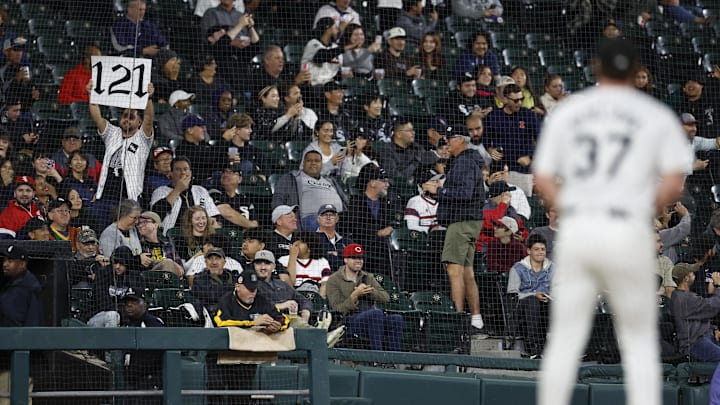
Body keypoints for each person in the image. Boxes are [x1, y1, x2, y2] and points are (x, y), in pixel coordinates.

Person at [533, 38, 692, 405]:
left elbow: (542, 179)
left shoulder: (572, 110)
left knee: (566, 337)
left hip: (580, 228)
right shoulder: (654, 114)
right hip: (627, 230)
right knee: (637, 340)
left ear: (597, 69)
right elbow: (674, 183)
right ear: (636, 71)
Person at [422, 128, 486, 332]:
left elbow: (464, 194)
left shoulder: (464, 161)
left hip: (461, 221)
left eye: (449, 140)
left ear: (460, 140)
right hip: (470, 221)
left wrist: (438, 190)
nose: (446, 143)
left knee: (454, 270)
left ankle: (457, 320)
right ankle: (476, 318)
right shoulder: (468, 161)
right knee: (467, 271)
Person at [87, 80, 154, 230]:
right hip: (105, 197)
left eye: (131, 117)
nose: (126, 120)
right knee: (101, 232)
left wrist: (149, 98)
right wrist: (91, 95)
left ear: (139, 122)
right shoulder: (112, 133)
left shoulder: (143, 139)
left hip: (128, 199)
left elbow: (149, 120)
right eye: (124, 116)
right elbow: (97, 118)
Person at [326, 243, 404, 351]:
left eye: (360, 258)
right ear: (345, 260)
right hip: (348, 321)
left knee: (396, 319)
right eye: (354, 257)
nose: (358, 260)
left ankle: (394, 360)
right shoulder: (334, 280)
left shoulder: (368, 277)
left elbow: (385, 297)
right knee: (375, 314)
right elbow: (336, 308)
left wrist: (370, 292)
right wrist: (355, 295)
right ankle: (377, 358)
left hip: (372, 318)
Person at [484, 83, 540, 197]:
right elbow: (486, 139)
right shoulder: (494, 116)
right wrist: (490, 150)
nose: (519, 103)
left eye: (521, 99)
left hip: (521, 168)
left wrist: (531, 157)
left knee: (522, 200)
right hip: (500, 167)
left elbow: (542, 140)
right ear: (505, 99)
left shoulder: (528, 115)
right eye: (515, 100)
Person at [271, 150, 346, 231]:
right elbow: (278, 200)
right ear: (303, 163)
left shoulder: (330, 180)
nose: (313, 163)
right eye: (309, 160)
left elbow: (345, 200)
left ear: (321, 164)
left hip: (338, 217)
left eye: (317, 161)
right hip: (311, 218)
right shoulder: (292, 178)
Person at [507, 234, 554, 358]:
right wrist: (534, 294)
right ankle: (535, 348)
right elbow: (513, 294)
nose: (540, 252)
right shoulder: (517, 268)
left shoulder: (553, 268)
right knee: (533, 301)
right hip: (522, 310)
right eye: (536, 249)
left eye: (542, 249)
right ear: (529, 251)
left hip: (546, 306)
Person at [346, 163, 395, 274]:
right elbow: (355, 227)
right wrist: (377, 232)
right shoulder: (357, 201)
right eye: (383, 181)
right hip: (364, 246)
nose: (387, 184)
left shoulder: (385, 203)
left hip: (383, 246)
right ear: (372, 182)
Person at [150, 157, 221, 232]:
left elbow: (213, 214)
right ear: (171, 173)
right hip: (172, 237)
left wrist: (212, 221)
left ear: (190, 172)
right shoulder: (160, 191)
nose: (183, 172)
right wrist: (177, 190)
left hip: (199, 235)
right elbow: (156, 215)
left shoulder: (200, 190)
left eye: (185, 169)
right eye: (178, 169)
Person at [120, 287, 165, 404]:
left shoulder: (153, 323)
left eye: (134, 302)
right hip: (132, 385)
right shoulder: (127, 324)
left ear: (144, 304)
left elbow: (155, 356)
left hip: (149, 384)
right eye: (127, 302)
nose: (129, 305)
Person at [669, 263, 720, 361]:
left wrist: (714, 329)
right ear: (686, 279)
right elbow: (713, 307)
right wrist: (718, 286)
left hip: (705, 336)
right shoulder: (683, 299)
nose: (694, 274)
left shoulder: (682, 295)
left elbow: (700, 316)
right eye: (692, 273)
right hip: (694, 344)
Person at [88, 246, 145, 328]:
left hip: (125, 316)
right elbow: (103, 304)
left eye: (121, 263)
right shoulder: (103, 274)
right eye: (115, 262)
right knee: (113, 316)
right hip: (99, 317)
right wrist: (124, 312)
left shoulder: (135, 277)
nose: (117, 266)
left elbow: (137, 303)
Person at [278, 231, 332, 296]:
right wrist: (292, 257)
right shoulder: (283, 260)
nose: (297, 244)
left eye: (302, 242)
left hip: (314, 296)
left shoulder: (322, 262)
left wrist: (320, 300)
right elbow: (289, 284)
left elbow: (325, 284)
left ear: (310, 248)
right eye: (296, 240)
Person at [0, 244, 42, 326]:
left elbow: (13, 320)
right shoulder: (14, 283)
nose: (5, 264)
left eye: (10, 261)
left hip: (19, 337)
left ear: (22, 264)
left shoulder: (25, 287)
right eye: (4, 260)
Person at [209, 163, 259, 230]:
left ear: (240, 179)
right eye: (224, 172)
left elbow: (255, 223)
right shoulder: (214, 193)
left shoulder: (245, 200)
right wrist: (249, 225)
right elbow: (226, 212)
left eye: (231, 172)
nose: (226, 174)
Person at [191, 247, 241, 313]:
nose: (214, 262)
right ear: (205, 262)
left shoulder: (234, 277)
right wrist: (232, 290)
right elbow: (211, 295)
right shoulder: (199, 279)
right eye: (210, 259)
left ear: (224, 262)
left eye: (217, 258)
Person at [137, 211, 184, 277]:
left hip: (172, 277)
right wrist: (170, 263)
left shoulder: (167, 245)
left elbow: (180, 267)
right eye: (139, 223)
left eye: (145, 222)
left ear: (156, 225)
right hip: (151, 278)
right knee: (167, 263)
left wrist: (173, 264)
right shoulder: (139, 244)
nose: (140, 225)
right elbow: (146, 265)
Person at [301, 17, 343, 87]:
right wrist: (343, 49)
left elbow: (338, 74)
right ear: (328, 29)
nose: (337, 31)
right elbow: (319, 57)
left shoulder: (335, 47)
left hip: (329, 86)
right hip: (313, 85)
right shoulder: (313, 44)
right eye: (335, 28)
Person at [315, 203, 353, 272]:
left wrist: (333, 254)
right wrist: (341, 255)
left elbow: (354, 261)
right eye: (324, 215)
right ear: (318, 219)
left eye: (331, 215)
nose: (328, 218)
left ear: (337, 219)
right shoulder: (311, 239)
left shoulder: (347, 241)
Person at [404, 169, 444, 233]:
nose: (439, 185)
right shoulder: (415, 201)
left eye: (439, 181)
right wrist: (430, 229)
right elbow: (410, 227)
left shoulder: (445, 200)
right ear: (423, 186)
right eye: (434, 181)